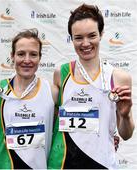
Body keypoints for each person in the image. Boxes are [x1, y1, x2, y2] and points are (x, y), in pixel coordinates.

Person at [48, 3, 135, 169]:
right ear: (71, 39)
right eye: (78, 37)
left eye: (91, 36)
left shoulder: (118, 78)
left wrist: (125, 116)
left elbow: (126, 134)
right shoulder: (61, 73)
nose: (85, 43)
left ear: (101, 34)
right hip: (63, 164)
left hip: (101, 163)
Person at [0, 29, 58, 169]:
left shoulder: (51, 91)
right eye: (21, 54)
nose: (27, 60)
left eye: (33, 54)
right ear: (12, 56)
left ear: (40, 57)